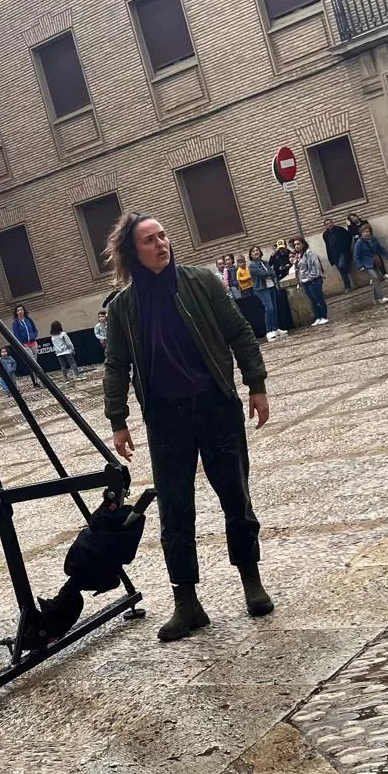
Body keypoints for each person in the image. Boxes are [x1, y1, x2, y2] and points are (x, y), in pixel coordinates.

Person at [101, 213, 272, 642]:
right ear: (132, 252)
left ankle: (251, 580)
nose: (161, 244)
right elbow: (116, 364)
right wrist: (118, 420)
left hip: (215, 406)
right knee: (175, 511)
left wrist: (256, 384)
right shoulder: (122, 307)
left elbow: (239, 332)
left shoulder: (201, 282)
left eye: (163, 236)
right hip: (165, 419)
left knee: (235, 495)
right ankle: (187, 602)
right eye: (149, 240)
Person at [292, 235, 328, 326]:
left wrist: (311, 277)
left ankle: (324, 316)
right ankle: (318, 317)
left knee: (318, 299)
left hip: (313, 280)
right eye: (295, 245)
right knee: (313, 300)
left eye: (298, 244)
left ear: (303, 244)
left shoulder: (309, 253)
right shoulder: (298, 256)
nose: (296, 246)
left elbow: (316, 266)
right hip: (304, 281)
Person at [351, 222, 388, 304]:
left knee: (376, 280)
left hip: (375, 262)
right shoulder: (359, 243)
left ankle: (376, 299)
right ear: (361, 233)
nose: (366, 233)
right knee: (375, 278)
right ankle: (381, 297)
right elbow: (356, 256)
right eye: (364, 232)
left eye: (367, 231)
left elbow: (380, 248)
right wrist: (360, 266)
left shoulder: (373, 239)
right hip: (366, 265)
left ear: (370, 232)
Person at [248, 246, 280, 341]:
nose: (256, 252)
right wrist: (269, 273)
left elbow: (273, 272)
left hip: (271, 286)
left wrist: (270, 273)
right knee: (269, 308)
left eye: (257, 250)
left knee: (274, 308)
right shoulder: (252, 265)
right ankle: (269, 331)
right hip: (261, 288)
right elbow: (262, 274)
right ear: (251, 255)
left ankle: (276, 329)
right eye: (253, 251)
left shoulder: (265, 262)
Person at [230, 253, 263, 337]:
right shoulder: (239, 271)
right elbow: (239, 279)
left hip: (251, 286)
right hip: (245, 288)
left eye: (243, 262)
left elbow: (251, 275)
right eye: (240, 263)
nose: (242, 264)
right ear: (237, 264)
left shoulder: (247, 268)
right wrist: (248, 277)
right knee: (248, 300)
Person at [10, 305, 41, 389]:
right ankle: (36, 382)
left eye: (21, 309)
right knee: (33, 363)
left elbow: (35, 330)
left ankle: (38, 380)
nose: (20, 311)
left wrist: (34, 336)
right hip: (25, 345)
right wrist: (22, 344)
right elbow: (16, 335)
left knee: (35, 362)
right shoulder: (15, 323)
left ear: (24, 311)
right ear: (16, 312)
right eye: (18, 310)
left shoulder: (29, 319)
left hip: (33, 343)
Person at [268, 240, 295, 334]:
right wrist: (272, 256)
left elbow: (292, 262)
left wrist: (287, 266)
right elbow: (270, 264)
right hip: (279, 277)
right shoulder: (276, 255)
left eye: (283, 248)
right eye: (280, 249)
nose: (281, 250)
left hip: (289, 275)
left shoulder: (289, 253)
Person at [322, 219, 355, 292]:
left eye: (330, 223)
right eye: (327, 224)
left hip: (342, 252)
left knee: (341, 266)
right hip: (334, 254)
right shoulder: (325, 234)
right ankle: (347, 286)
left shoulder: (340, 229)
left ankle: (347, 268)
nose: (329, 225)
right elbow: (328, 245)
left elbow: (348, 237)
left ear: (333, 223)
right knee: (341, 271)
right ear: (325, 226)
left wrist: (346, 247)